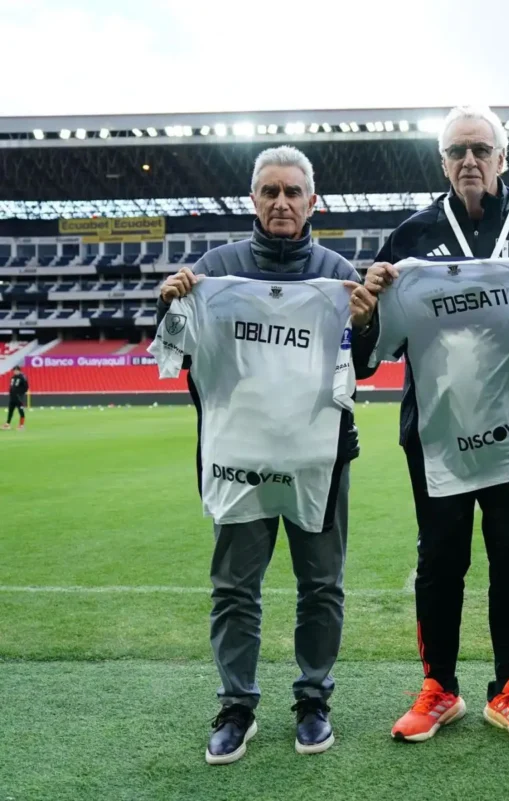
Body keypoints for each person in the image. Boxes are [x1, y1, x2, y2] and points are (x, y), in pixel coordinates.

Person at [358, 105, 509, 744]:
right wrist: (370, 304)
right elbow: (373, 348)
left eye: (480, 150)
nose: (468, 161)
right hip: (435, 435)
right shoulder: (408, 241)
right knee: (440, 561)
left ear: (502, 158)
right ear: (442, 162)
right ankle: (439, 688)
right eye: (457, 151)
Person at [157, 145, 377, 765]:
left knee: (322, 585)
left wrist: (364, 323)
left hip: (321, 459)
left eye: (292, 193)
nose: (281, 203)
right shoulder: (215, 269)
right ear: (253, 200)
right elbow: (180, 350)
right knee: (234, 587)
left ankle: (313, 700)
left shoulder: (337, 271)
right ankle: (236, 706)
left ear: (313, 202)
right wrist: (168, 304)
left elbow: (362, 364)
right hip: (239, 459)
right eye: (269, 192)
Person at [3, 365, 28, 430]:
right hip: (12, 397)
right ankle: (7, 424)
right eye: (14, 370)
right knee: (10, 411)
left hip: (19, 398)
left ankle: (21, 425)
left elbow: (26, 387)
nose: (15, 371)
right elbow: (12, 387)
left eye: (16, 370)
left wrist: (20, 393)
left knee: (21, 411)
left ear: (19, 370)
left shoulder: (22, 377)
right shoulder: (13, 377)